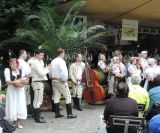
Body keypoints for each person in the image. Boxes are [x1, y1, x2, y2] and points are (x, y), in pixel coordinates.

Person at [51, 48, 77, 119]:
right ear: (61, 53)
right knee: (68, 96)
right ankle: (69, 114)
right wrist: (64, 79)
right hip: (61, 81)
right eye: (64, 53)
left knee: (56, 96)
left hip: (54, 81)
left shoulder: (53, 61)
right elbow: (64, 72)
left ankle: (57, 113)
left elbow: (50, 72)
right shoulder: (61, 61)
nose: (64, 54)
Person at [4, 58, 28, 128]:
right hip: (12, 91)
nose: (12, 65)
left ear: (17, 64)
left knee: (20, 104)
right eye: (10, 64)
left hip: (20, 91)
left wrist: (22, 84)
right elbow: (7, 81)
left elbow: (25, 79)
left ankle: (18, 122)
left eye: (13, 63)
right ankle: (14, 122)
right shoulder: (7, 70)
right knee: (13, 104)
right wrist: (15, 83)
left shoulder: (21, 70)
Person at [30, 49, 51, 123]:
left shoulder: (37, 61)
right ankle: (37, 118)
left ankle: (38, 116)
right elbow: (41, 73)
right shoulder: (35, 62)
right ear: (36, 55)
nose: (42, 56)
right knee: (37, 100)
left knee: (38, 100)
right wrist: (47, 69)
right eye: (41, 55)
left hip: (39, 82)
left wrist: (45, 68)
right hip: (37, 82)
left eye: (43, 55)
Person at [18, 49, 33, 117]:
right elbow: (28, 73)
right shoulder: (23, 62)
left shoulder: (17, 61)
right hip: (24, 82)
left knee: (24, 98)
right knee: (26, 98)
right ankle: (28, 113)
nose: (26, 55)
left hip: (18, 82)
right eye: (25, 54)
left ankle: (26, 113)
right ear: (22, 54)